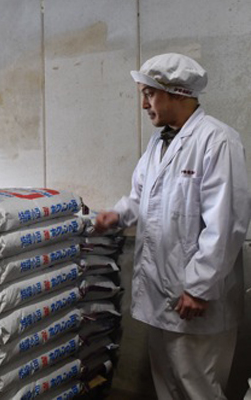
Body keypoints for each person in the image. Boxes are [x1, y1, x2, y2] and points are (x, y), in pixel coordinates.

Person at [95, 53, 251, 400]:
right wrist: (117, 215)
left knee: (198, 388)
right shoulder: (158, 143)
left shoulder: (217, 141)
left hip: (194, 299)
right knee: (167, 385)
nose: (143, 105)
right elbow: (141, 197)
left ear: (178, 93)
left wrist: (199, 286)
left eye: (149, 94)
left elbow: (226, 224)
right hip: (160, 294)